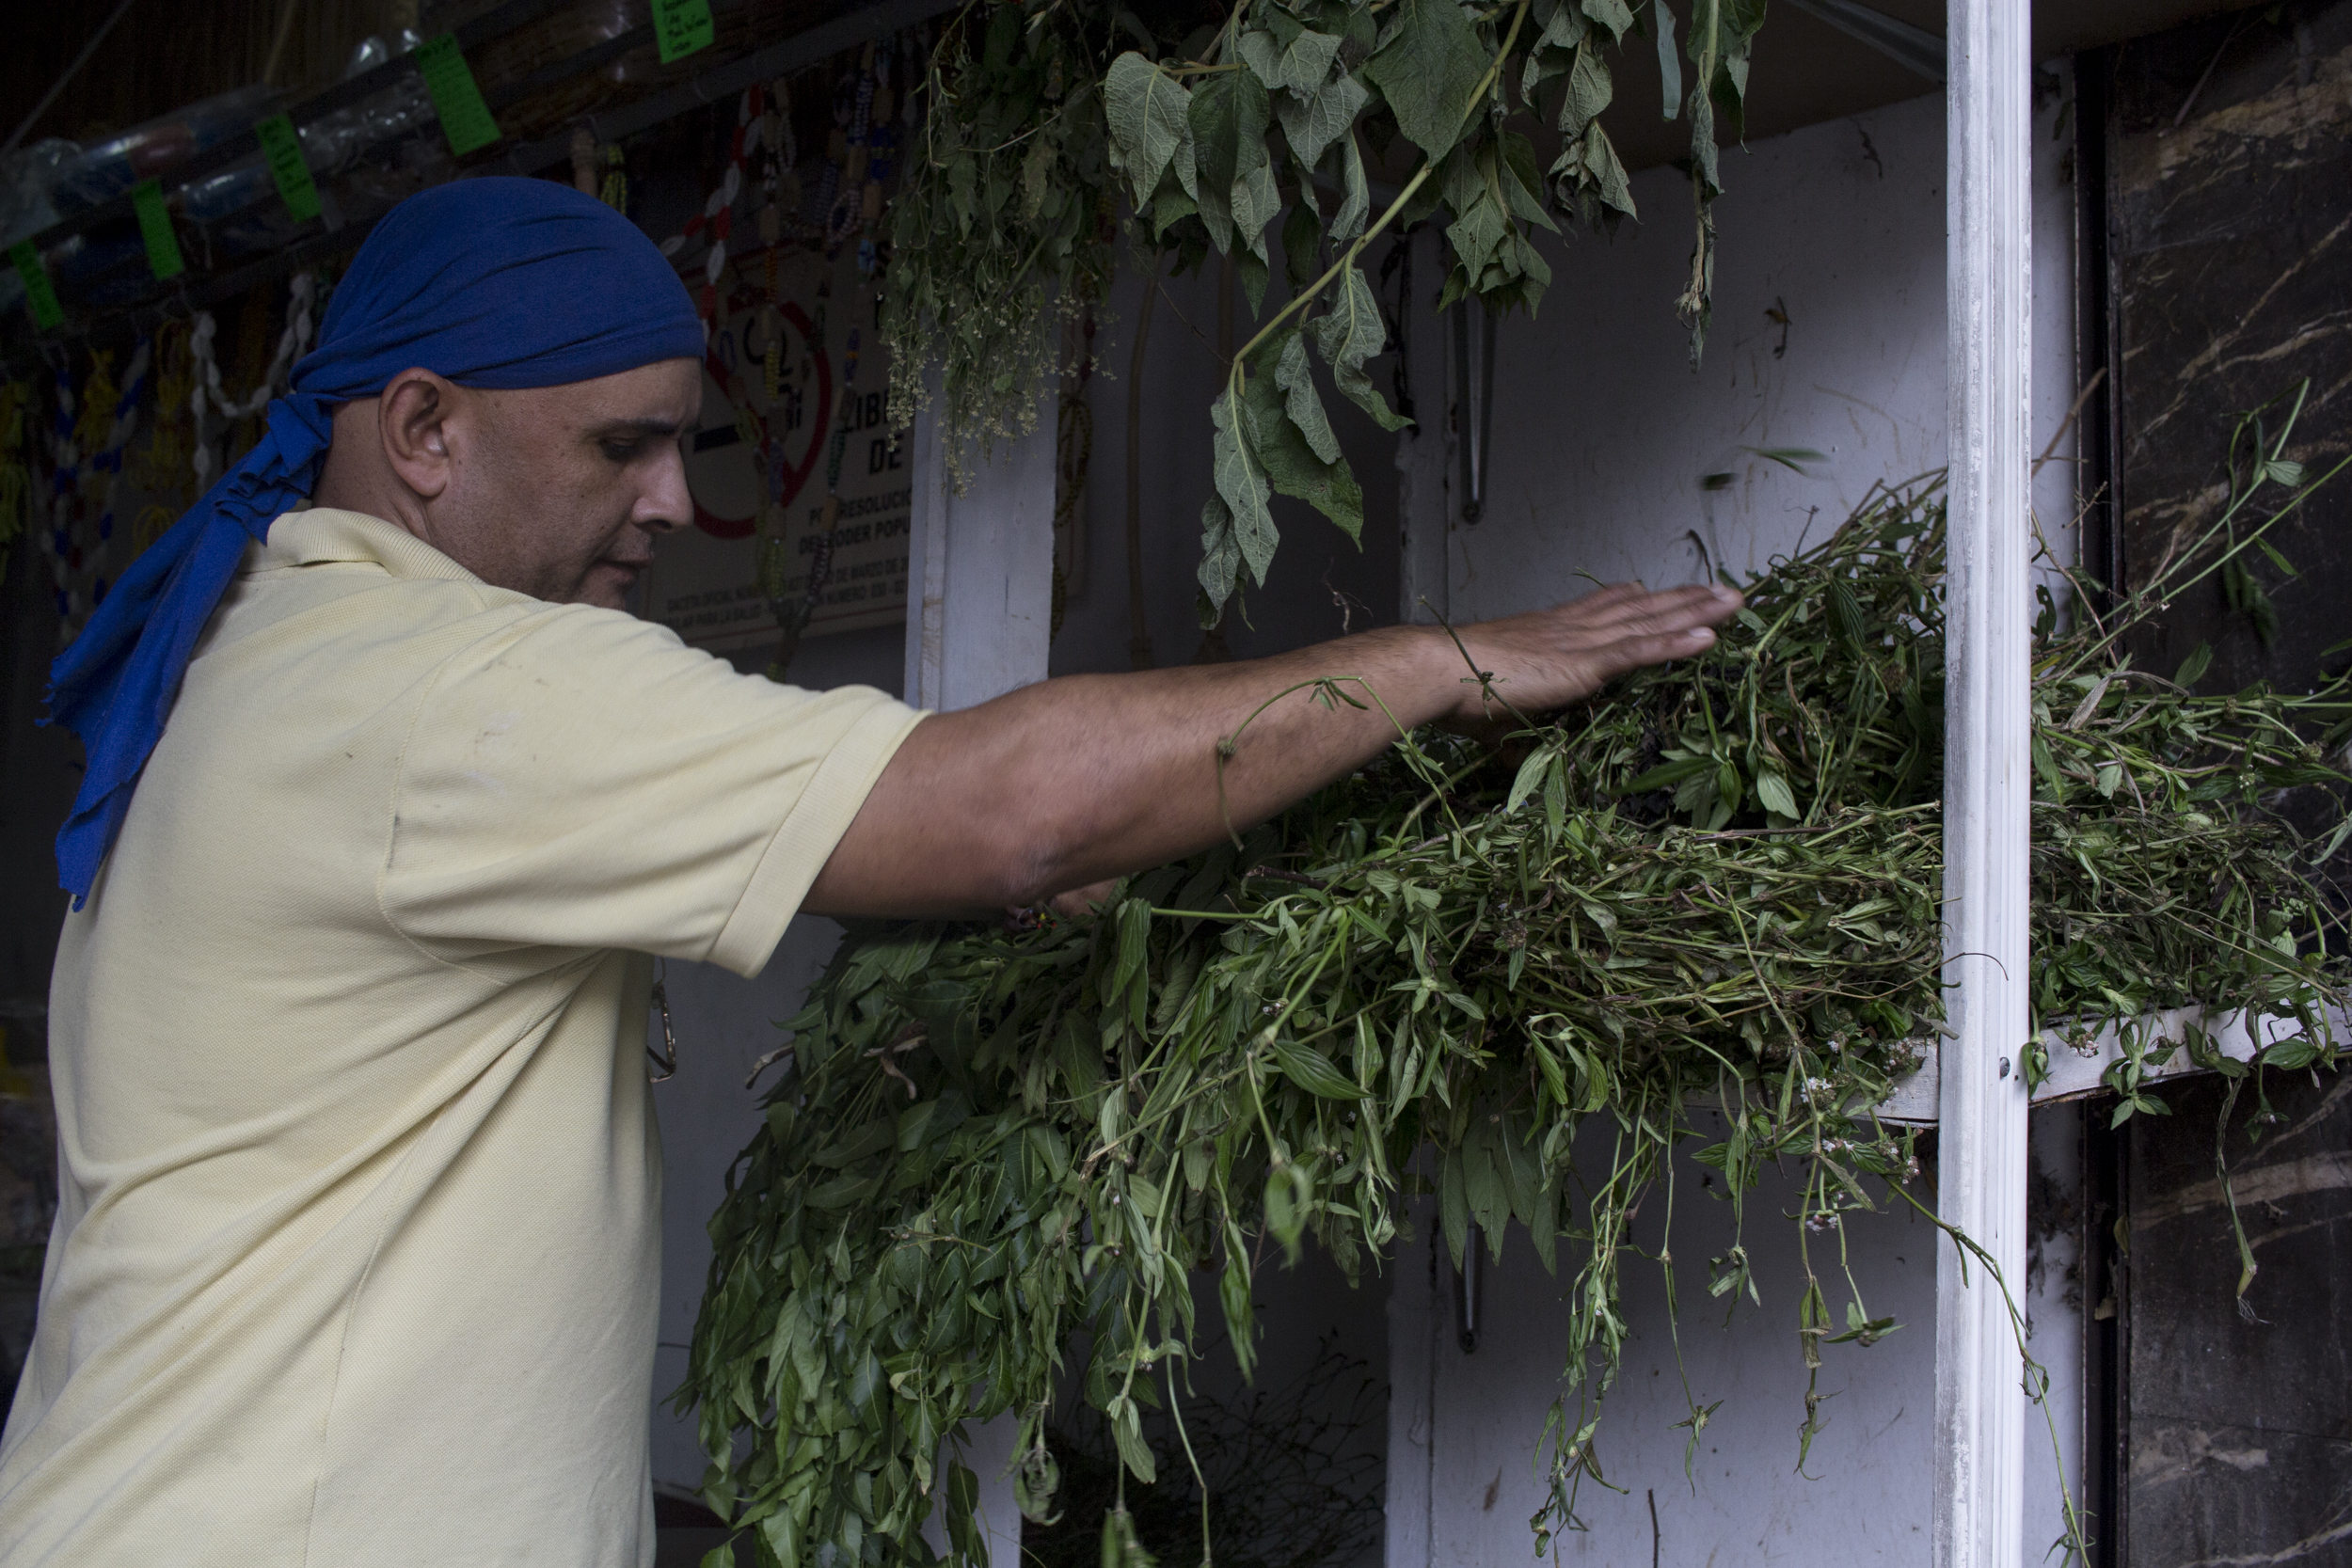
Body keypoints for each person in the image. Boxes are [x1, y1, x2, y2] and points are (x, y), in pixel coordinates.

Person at [0, 179, 1738, 1566]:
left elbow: (915, 846)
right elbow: (1009, 808)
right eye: (623, 444)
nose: (678, 498)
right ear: (426, 430)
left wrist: (945, 871)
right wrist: (1454, 661)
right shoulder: (439, 687)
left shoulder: (290, 657)